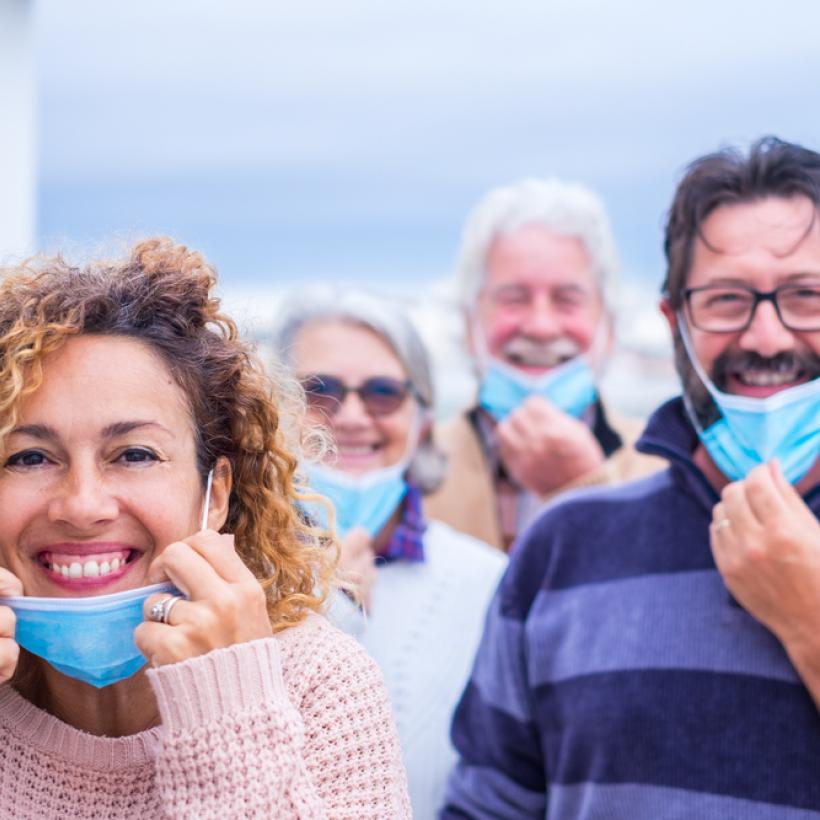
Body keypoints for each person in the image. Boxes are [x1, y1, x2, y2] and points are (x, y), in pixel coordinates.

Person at [441, 136, 820, 818]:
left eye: (807, 296)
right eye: (726, 300)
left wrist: (809, 620)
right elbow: (489, 804)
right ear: (674, 322)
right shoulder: (564, 542)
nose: (767, 337)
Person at [0, 239, 410, 818]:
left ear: (214, 494)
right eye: (30, 458)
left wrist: (227, 715)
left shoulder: (319, 686)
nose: (82, 505)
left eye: (135, 454)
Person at [272, 287, 507, 820]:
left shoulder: (493, 582)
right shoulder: (227, 581)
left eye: (383, 393)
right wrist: (317, 619)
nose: (353, 416)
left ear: (423, 419)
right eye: (320, 391)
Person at [425, 178, 663, 550]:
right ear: (469, 325)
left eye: (568, 300)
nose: (541, 326)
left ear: (610, 326)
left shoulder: (666, 465)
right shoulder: (414, 469)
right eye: (513, 298)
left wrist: (580, 487)